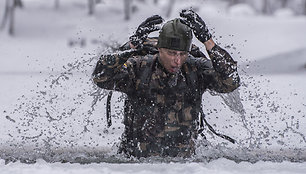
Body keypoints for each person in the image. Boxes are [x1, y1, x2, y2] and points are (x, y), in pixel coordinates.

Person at [92, 9, 240, 158]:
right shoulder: (138, 68)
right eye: (171, 53)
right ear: (159, 49)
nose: (177, 60)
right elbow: (101, 77)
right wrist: (130, 46)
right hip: (136, 164)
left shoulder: (196, 69)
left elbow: (231, 81)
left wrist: (208, 41)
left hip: (185, 165)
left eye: (182, 54)